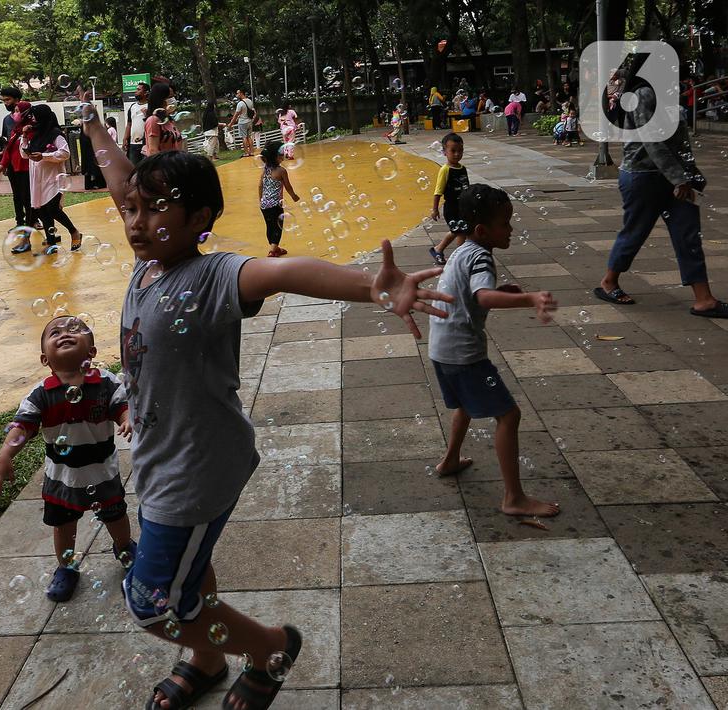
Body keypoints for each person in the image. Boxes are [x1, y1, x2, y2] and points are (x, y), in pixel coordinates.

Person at [74, 92, 452, 710]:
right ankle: (206, 657)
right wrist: (93, 127)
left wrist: (372, 287)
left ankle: (270, 647)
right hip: (163, 452)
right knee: (191, 569)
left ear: (199, 218)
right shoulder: (147, 264)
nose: (135, 220)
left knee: (153, 603)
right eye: (132, 210)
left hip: (197, 464)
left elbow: (285, 272)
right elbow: (120, 179)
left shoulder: (213, 275)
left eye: (155, 209)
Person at [428, 184, 562, 518]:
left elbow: (470, 292)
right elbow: (483, 297)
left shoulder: (462, 250)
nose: (511, 229)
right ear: (482, 230)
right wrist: (529, 299)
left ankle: (450, 460)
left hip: (441, 348)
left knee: (464, 405)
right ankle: (513, 498)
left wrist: (501, 290)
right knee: (509, 415)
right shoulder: (481, 256)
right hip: (464, 354)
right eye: (505, 223)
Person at [0, 315, 136, 602]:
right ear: (45, 358)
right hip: (62, 477)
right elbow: (22, 427)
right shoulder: (41, 394)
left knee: (115, 514)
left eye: (74, 330)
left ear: (91, 351)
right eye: (54, 333)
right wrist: (5, 455)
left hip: (102, 472)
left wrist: (127, 418)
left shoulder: (106, 382)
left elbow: (122, 406)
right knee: (64, 524)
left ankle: (124, 547)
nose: (65, 334)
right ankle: (66, 566)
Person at [596, 55, 726, 318]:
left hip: (675, 179)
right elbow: (653, 142)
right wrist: (680, 178)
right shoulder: (643, 94)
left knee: (688, 234)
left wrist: (690, 174)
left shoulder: (665, 94)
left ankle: (704, 299)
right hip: (643, 177)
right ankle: (609, 281)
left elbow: (678, 143)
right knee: (636, 232)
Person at [16, 104, 82, 254]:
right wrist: (24, 136)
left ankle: (74, 232)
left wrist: (44, 156)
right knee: (42, 210)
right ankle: (51, 243)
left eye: (34, 116)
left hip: (53, 178)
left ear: (42, 117)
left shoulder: (55, 134)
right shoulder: (35, 135)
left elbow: (65, 153)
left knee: (52, 209)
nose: (32, 119)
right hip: (38, 179)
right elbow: (24, 154)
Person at [428, 133, 471, 265]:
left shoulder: (463, 169)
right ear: (444, 152)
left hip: (463, 206)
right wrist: (435, 209)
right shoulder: (445, 170)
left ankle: (443, 251)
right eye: (453, 151)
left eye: (460, 150)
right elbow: (438, 191)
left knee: (461, 231)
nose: (457, 154)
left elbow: (466, 187)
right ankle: (453, 255)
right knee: (458, 231)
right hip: (451, 207)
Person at [0, 100, 32, 227]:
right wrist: (0, 168)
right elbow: (8, 150)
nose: (14, 114)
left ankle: (30, 224)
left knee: (28, 198)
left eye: (17, 111)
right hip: (15, 169)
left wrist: (25, 134)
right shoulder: (15, 130)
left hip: (27, 169)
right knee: (18, 196)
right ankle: (20, 223)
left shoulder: (32, 129)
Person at [258, 140, 299, 258]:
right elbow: (288, 186)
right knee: (277, 228)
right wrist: (294, 196)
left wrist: (261, 200)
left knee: (270, 226)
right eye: (281, 153)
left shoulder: (266, 169)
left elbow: (260, 185)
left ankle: (275, 248)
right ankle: (272, 251)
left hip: (264, 205)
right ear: (275, 157)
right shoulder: (281, 171)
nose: (283, 155)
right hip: (276, 205)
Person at [143, 83, 183, 157]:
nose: (173, 100)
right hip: (162, 163)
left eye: (173, 97)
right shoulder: (153, 120)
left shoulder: (169, 121)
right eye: (169, 97)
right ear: (160, 99)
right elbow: (153, 151)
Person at [123, 82, 149, 164]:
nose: (135, 91)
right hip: (133, 144)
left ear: (146, 92)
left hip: (147, 143)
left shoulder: (151, 106)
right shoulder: (132, 107)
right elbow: (129, 124)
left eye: (138, 89)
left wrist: (147, 115)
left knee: (146, 167)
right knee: (134, 168)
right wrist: (125, 139)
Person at [230, 89, 255, 157]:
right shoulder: (250, 101)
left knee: (244, 137)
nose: (236, 95)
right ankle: (251, 152)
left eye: (237, 93)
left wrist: (231, 123)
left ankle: (246, 152)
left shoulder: (240, 103)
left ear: (241, 93)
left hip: (242, 122)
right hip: (249, 121)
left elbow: (236, 115)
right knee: (249, 137)